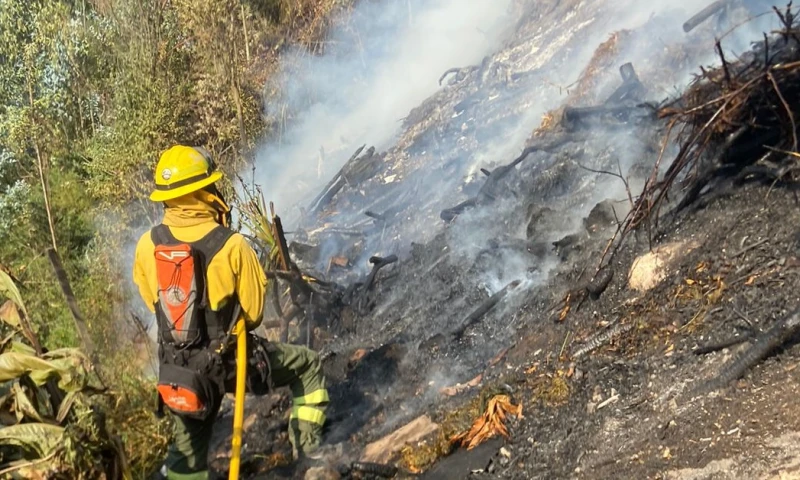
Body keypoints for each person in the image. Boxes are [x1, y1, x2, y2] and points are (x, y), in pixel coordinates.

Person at [132, 145, 329, 479]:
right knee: (307, 365)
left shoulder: (146, 245)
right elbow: (253, 314)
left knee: (187, 456)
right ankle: (308, 457)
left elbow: (151, 297)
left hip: (180, 370)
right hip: (232, 362)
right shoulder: (232, 245)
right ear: (204, 193)